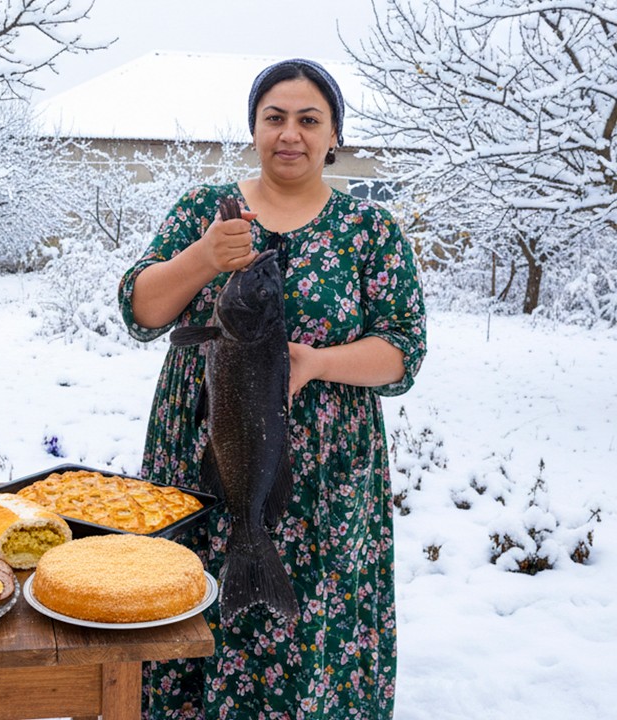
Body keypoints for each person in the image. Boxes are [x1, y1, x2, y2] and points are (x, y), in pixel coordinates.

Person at [117, 58, 427, 719]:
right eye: (275, 118)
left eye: (309, 120)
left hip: (326, 478)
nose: (291, 133)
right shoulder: (205, 210)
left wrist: (315, 363)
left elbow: (404, 352)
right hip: (203, 452)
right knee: (192, 607)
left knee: (309, 615)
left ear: (335, 134)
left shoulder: (371, 232)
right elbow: (140, 312)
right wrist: (204, 257)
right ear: (254, 128)